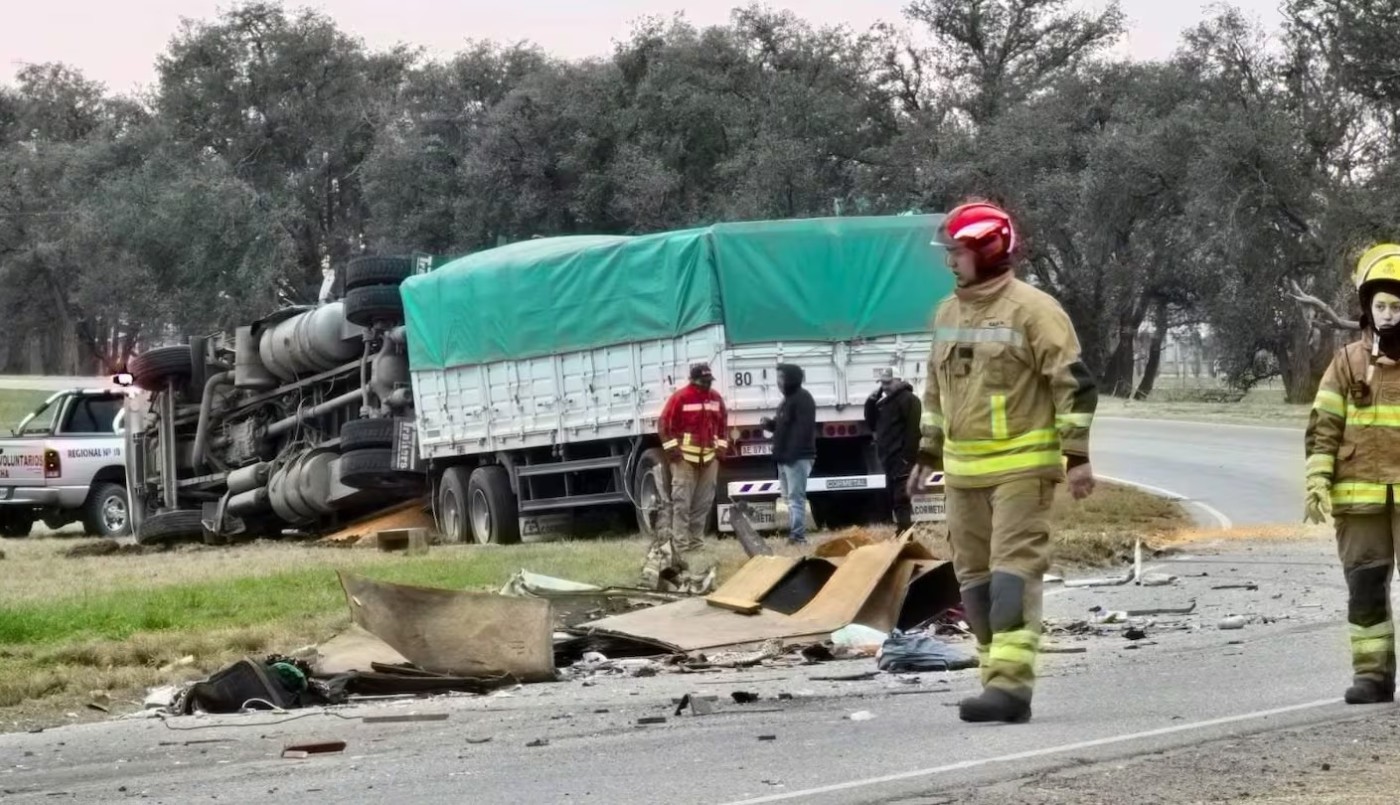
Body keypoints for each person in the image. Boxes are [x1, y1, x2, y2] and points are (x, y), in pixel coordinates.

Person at [908, 199, 1098, 724]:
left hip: (1021, 471)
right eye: (948, 252)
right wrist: (927, 450)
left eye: (959, 252)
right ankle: (994, 681)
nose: (950, 262)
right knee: (974, 583)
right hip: (963, 476)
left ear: (990, 250)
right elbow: (935, 391)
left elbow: (1075, 385)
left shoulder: (1034, 310)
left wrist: (1076, 456)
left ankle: (1012, 688)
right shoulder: (947, 314)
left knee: (1012, 576)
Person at [1305, 242, 1400, 705]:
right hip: (1359, 501)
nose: (1387, 314)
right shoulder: (1347, 362)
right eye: (1380, 305)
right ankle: (1372, 677)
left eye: (1396, 306)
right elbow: (1324, 426)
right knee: (1364, 590)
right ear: (1366, 306)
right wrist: (1318, 481)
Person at [656, 362, 729, 553]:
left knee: (703, 504)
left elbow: (723, 427)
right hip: (684, 460)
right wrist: (674, 453)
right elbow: (664, 426)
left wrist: (720, 451)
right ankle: (681, 546)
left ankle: (696, 544)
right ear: (694, 380)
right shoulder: (680, 398)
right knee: (682, 504)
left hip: (709, 459)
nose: (707, 384)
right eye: (703, 381)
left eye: (709, 381)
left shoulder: (716, 399)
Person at [761, 364, 817, 545]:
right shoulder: (786, 401)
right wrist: (769, 424)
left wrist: (791, 454)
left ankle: (798, 536)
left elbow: (803, 430)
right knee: (789, 498)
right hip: (785, 457)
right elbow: (782, 426)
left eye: (781, 378)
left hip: (797, 457)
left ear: (791, 379)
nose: (778, 382)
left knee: (796, 497)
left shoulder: (803, 399)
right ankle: (795, 534)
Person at [864, 367, 923, 532]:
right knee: (892, 498)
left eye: (888, 382)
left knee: (901, 499)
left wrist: (906, 457)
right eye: (882, 383)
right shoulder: (883, 403)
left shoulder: (910, 400)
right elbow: (871, 423)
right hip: (888, 458)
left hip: (901, 458)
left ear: (899, 380)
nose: (884, 386)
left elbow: (913, 431)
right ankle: (902, 532)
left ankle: (905, 536)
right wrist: (870, 402)